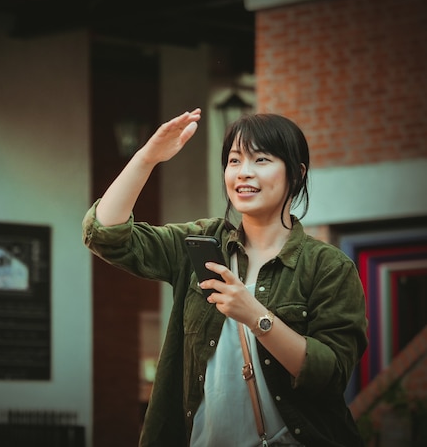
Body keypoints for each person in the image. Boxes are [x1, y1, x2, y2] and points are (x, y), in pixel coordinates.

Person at [82, 108, 368, 447]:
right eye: (234, 161)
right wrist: (147, 158)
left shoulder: (328, 267)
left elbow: (331, 375)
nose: (243, 173)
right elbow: (105, 235)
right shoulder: (201, 243)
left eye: (261, 160)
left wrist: (256, 316)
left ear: (296, 173)